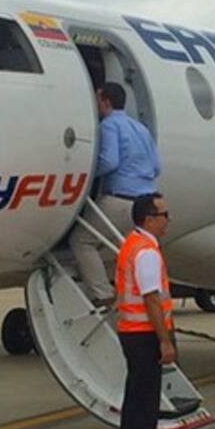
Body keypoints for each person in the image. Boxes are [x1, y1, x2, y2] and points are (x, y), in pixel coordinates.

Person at [69, 82, 161, 304]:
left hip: (120, 199)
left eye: (97, 99)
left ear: (105, 102)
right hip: (148, 202)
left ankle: (103, 294)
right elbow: (156, 167)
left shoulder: (108, 125)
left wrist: (87, 174)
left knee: (81, 241)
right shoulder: (140, 128)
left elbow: (110, 161)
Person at [114, 193, 177, 429]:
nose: (168, 220)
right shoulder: (147, 252)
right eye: (164, 215)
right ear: (149, 219)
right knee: (146, 399)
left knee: (135, 395)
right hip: (144, 333)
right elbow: (152, 299)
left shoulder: (132, 243)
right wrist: (165, 339)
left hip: (131, 330)